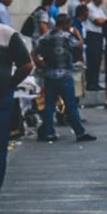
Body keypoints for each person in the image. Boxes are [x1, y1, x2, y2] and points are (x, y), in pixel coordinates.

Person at [33, 14, 95, 143]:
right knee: (70, 105)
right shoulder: (67, 36)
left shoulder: (46, 37)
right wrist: (77, 33)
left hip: (50, 74)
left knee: (49, 105)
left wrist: (40, 64)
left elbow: (34, 52)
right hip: (65, 75)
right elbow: (79, 46)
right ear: (66, 24)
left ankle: (49, 132)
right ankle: (79, 132)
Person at [0, 22, 35, 205]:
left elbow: (27, 65)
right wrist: (10, 84)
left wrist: (10, 85)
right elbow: (27, 65)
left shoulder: (7, 34)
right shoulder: (6, 33)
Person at [83, 0, 106, 91]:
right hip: (92, 35)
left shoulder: (100, 9)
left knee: (97, 60)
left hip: (99, 35)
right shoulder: (90, 7)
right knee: (92, 59)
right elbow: (98, 21)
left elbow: (104, 20)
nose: (100, 0)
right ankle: (90, 82)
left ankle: (95, 82)